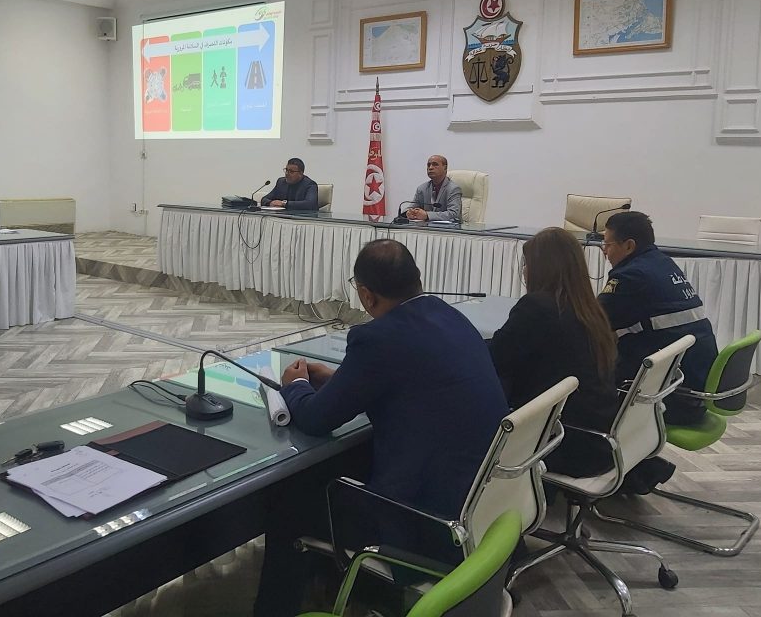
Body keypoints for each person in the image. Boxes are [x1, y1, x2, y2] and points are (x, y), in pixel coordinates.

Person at [254, 239, 508, 616]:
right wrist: (343, 380)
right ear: (417, 279)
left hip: (423, 523)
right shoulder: (450, 316)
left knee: (287, 503)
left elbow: (315, 420)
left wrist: (296, 386)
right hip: (476, 503)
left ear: (367, 295)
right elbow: (414, 380)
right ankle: (344, 588)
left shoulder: (377, 338)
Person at [488, 227, 619, 477]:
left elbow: (496, 359)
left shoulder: (537, 307)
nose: (524, 271)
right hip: (598, 438)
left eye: (527, 264)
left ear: (542, 268)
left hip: (561, 442)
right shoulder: (590, 309)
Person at [599, 211, 716, 426]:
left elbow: (592, 322)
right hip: (694, 387)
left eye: (607, 244)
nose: (604, 250)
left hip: (670, 398)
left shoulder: (631, 276)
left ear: (629, 246)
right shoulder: (662, 263)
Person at [405, 155, 461, 222]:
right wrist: (408, 213)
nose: (430, 167)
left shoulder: (453, 189)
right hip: (426, 227)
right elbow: (411, 208)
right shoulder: (422, 189)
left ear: (445, 168)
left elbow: (454, 214)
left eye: (435, 164)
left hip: (447, 228)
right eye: (428, 165)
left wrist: (427, 215)